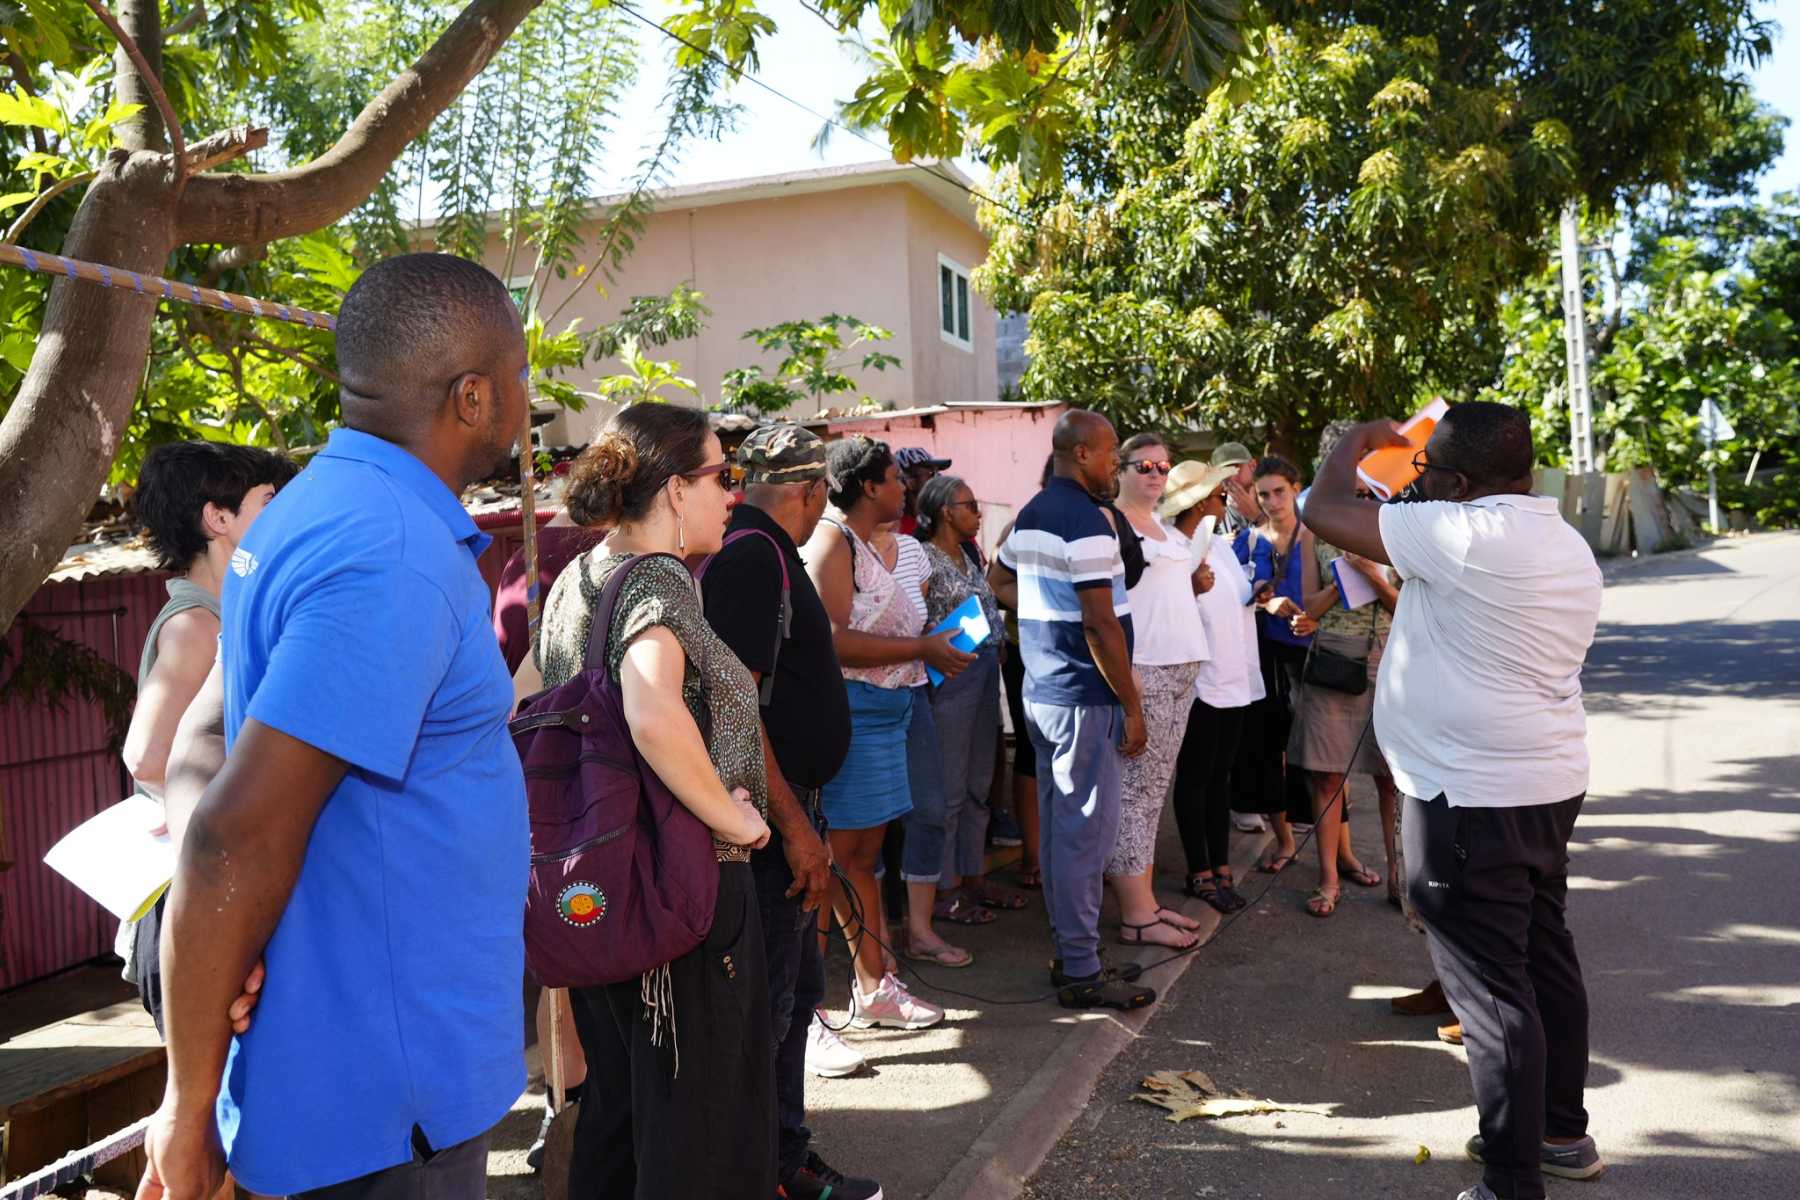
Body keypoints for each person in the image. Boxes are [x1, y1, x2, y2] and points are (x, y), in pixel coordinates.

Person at [138, 253, 532, 1200]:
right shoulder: (389, 554)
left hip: (363, 1071)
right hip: (386, 1108)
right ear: (472, 397)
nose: (528, 399)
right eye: (519, 376)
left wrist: (231, 939)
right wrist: (185, 1113)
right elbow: (238, 830)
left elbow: (202, 744)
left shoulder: (315, 506)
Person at [1302, 402, 1606, 1200]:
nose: (1418, 481)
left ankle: (1512, 1182)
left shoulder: (1465, 537)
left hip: (1469, 799)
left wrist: (1353, 444)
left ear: (1461, 481)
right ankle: (1558, 1133)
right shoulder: (1558, 538)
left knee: (1492, 992)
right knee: (1543, 960)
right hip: (1541, 786)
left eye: (1428, 468)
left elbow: (1320, 511)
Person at [539, 402, 776, 1199]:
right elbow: (650, 707)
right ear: (677, 490)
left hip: (610, 887)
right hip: (684, 889)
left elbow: (520, 706)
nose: (732, 495)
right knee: (699, 1125)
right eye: (723, 476)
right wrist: (733, 816)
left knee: (623, 1112)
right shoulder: (660, 578)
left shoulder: (578, 577)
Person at [697, 424, 880, 1200]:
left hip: (786, 812)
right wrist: (800, 830)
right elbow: (737, 708)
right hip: (769, 822)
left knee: (797, 996)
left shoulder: (760, 548)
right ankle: (763, 1171)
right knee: (770, 1008)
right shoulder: (754, 555)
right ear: (808, 492)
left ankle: (784, 1157)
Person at [120, 441, 294, 1035]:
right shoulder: (198, 624)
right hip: (191, 906)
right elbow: (144, 755)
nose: (283, 514)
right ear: (218, 519)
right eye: (268, 501)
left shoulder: (225, 615)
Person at [989, 410, 1154, 1011]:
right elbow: (1100, 622)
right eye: (1112, 452)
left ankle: (1074, 954)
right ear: (1081, 453)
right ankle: (1082, 969)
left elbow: (996, 581)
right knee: (1085, 838)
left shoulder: (1032, 513)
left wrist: (1041, 619)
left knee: (1065, 836)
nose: (1117, 463)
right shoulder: (1084, 520)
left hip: (1044, 691)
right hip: (1084, 697)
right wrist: (1132, 707)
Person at [803, 436, 970, 1025]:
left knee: (863, 856)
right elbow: (830, 640)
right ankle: (812, 1013)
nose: (906, 488)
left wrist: (928, 648)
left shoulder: (869, 542)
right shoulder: (831, 539)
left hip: (889, 708)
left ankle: (874, 988)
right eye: (896, 479)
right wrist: (921, 646)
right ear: (869, 487)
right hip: (855, 709)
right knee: (833, 859)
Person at [491, 507, 601, 1172]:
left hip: (541, 782)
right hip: (565, 787)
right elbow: (518, 690)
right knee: (566, 964)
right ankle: (568, 1111)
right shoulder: (572, 564)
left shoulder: (526, 560)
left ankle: (568, 1107)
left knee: (558, 964)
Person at [1288, 423, 1404, 918]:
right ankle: (1329, 879)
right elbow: (1307, 605)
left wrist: (1375, 577)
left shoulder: (1399, 520)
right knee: (1327, 778)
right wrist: (1343, 579)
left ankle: (1401, 877)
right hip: (1334, 654)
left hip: (1390, 658)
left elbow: (1408, 607)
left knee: (1392, 779)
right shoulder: (1314, 525)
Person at [1102, 434, 1209, 950]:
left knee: (1152, 794)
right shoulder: (1113, 525)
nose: (1155, 473)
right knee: (1135, 794)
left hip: (1182, 669)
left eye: (1163, 466)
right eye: (1144, 465)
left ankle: (1144, 903)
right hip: (1145, 669)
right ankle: (1136, 914)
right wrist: (1127, 678)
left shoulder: (1165, 530)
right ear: (1119, 469)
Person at [914, 474, 1022, 925]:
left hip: (982, 671)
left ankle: (974, 878)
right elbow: (916, 621)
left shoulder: (970, 555)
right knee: (952, 785)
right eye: (969, 504)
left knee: (980, 782)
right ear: (944, 511)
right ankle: (946, 889)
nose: (977, 513)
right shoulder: (923, 558)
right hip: (951, 676)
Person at [1162, 460, 1261, 914]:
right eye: (1219, 495)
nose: (1225, 500)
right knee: (1197, 776)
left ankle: (1221, 867)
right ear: (1198, 501)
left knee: (1221, 776)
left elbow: (1235, 600)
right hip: (1198, 682)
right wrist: (1189, 586)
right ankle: (1199, 870)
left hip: (1233, 675)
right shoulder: (1172, 548)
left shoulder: (1219, 545)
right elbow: (1160, 610)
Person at [1232, 456, 1316, 874]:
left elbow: (1341, 582)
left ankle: (1339, 855)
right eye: (1262, 493)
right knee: (1268, 749)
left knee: (1319, 752)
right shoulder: (1248, 540)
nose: (1270, 501)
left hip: (1313, 651)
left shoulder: (1318, 535)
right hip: (1264, 653)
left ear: (1297, 487)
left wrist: (1316, 613)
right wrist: (1266, 602)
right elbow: (1235, 591)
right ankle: (1284, 842)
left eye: (1278, 491)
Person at [893, 445, 950, 536]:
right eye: (931, 473)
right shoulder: (894, 529)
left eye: (938, 473)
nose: (938, 478)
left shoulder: (946, 520)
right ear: (911, 483)